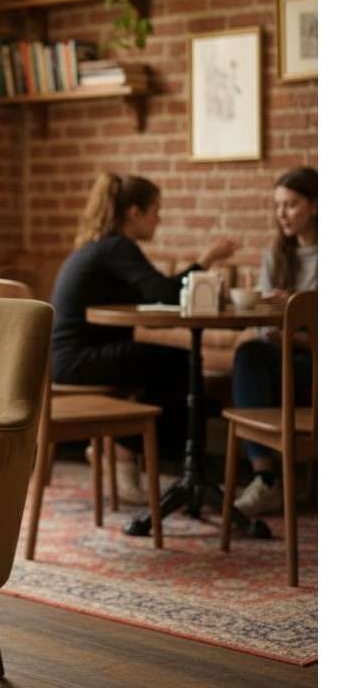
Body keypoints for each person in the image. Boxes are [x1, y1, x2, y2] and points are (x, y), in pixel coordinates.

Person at [50, 172, 238, 502]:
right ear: (134, 213)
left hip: (66, 359)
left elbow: (152, 294)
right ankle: (148, 458)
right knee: (183, 364)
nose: (158, 220)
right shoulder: (118, 246)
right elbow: (165, 293)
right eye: (155, 211)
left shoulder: (101, 245)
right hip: (78, 360)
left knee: (171, 364)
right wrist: (206, 260)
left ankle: (124, 452)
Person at [230, 166, 317, 517]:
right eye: (277, 205)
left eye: (291, 204)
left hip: (315, 357)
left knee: (253, 358)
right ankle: (267, 479)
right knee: (249, 353)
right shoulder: (275, 256)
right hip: (281, 351)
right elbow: (264, 319)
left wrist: (294, 318)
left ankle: (280, 479)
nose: (282, 213)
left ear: (315, 205)